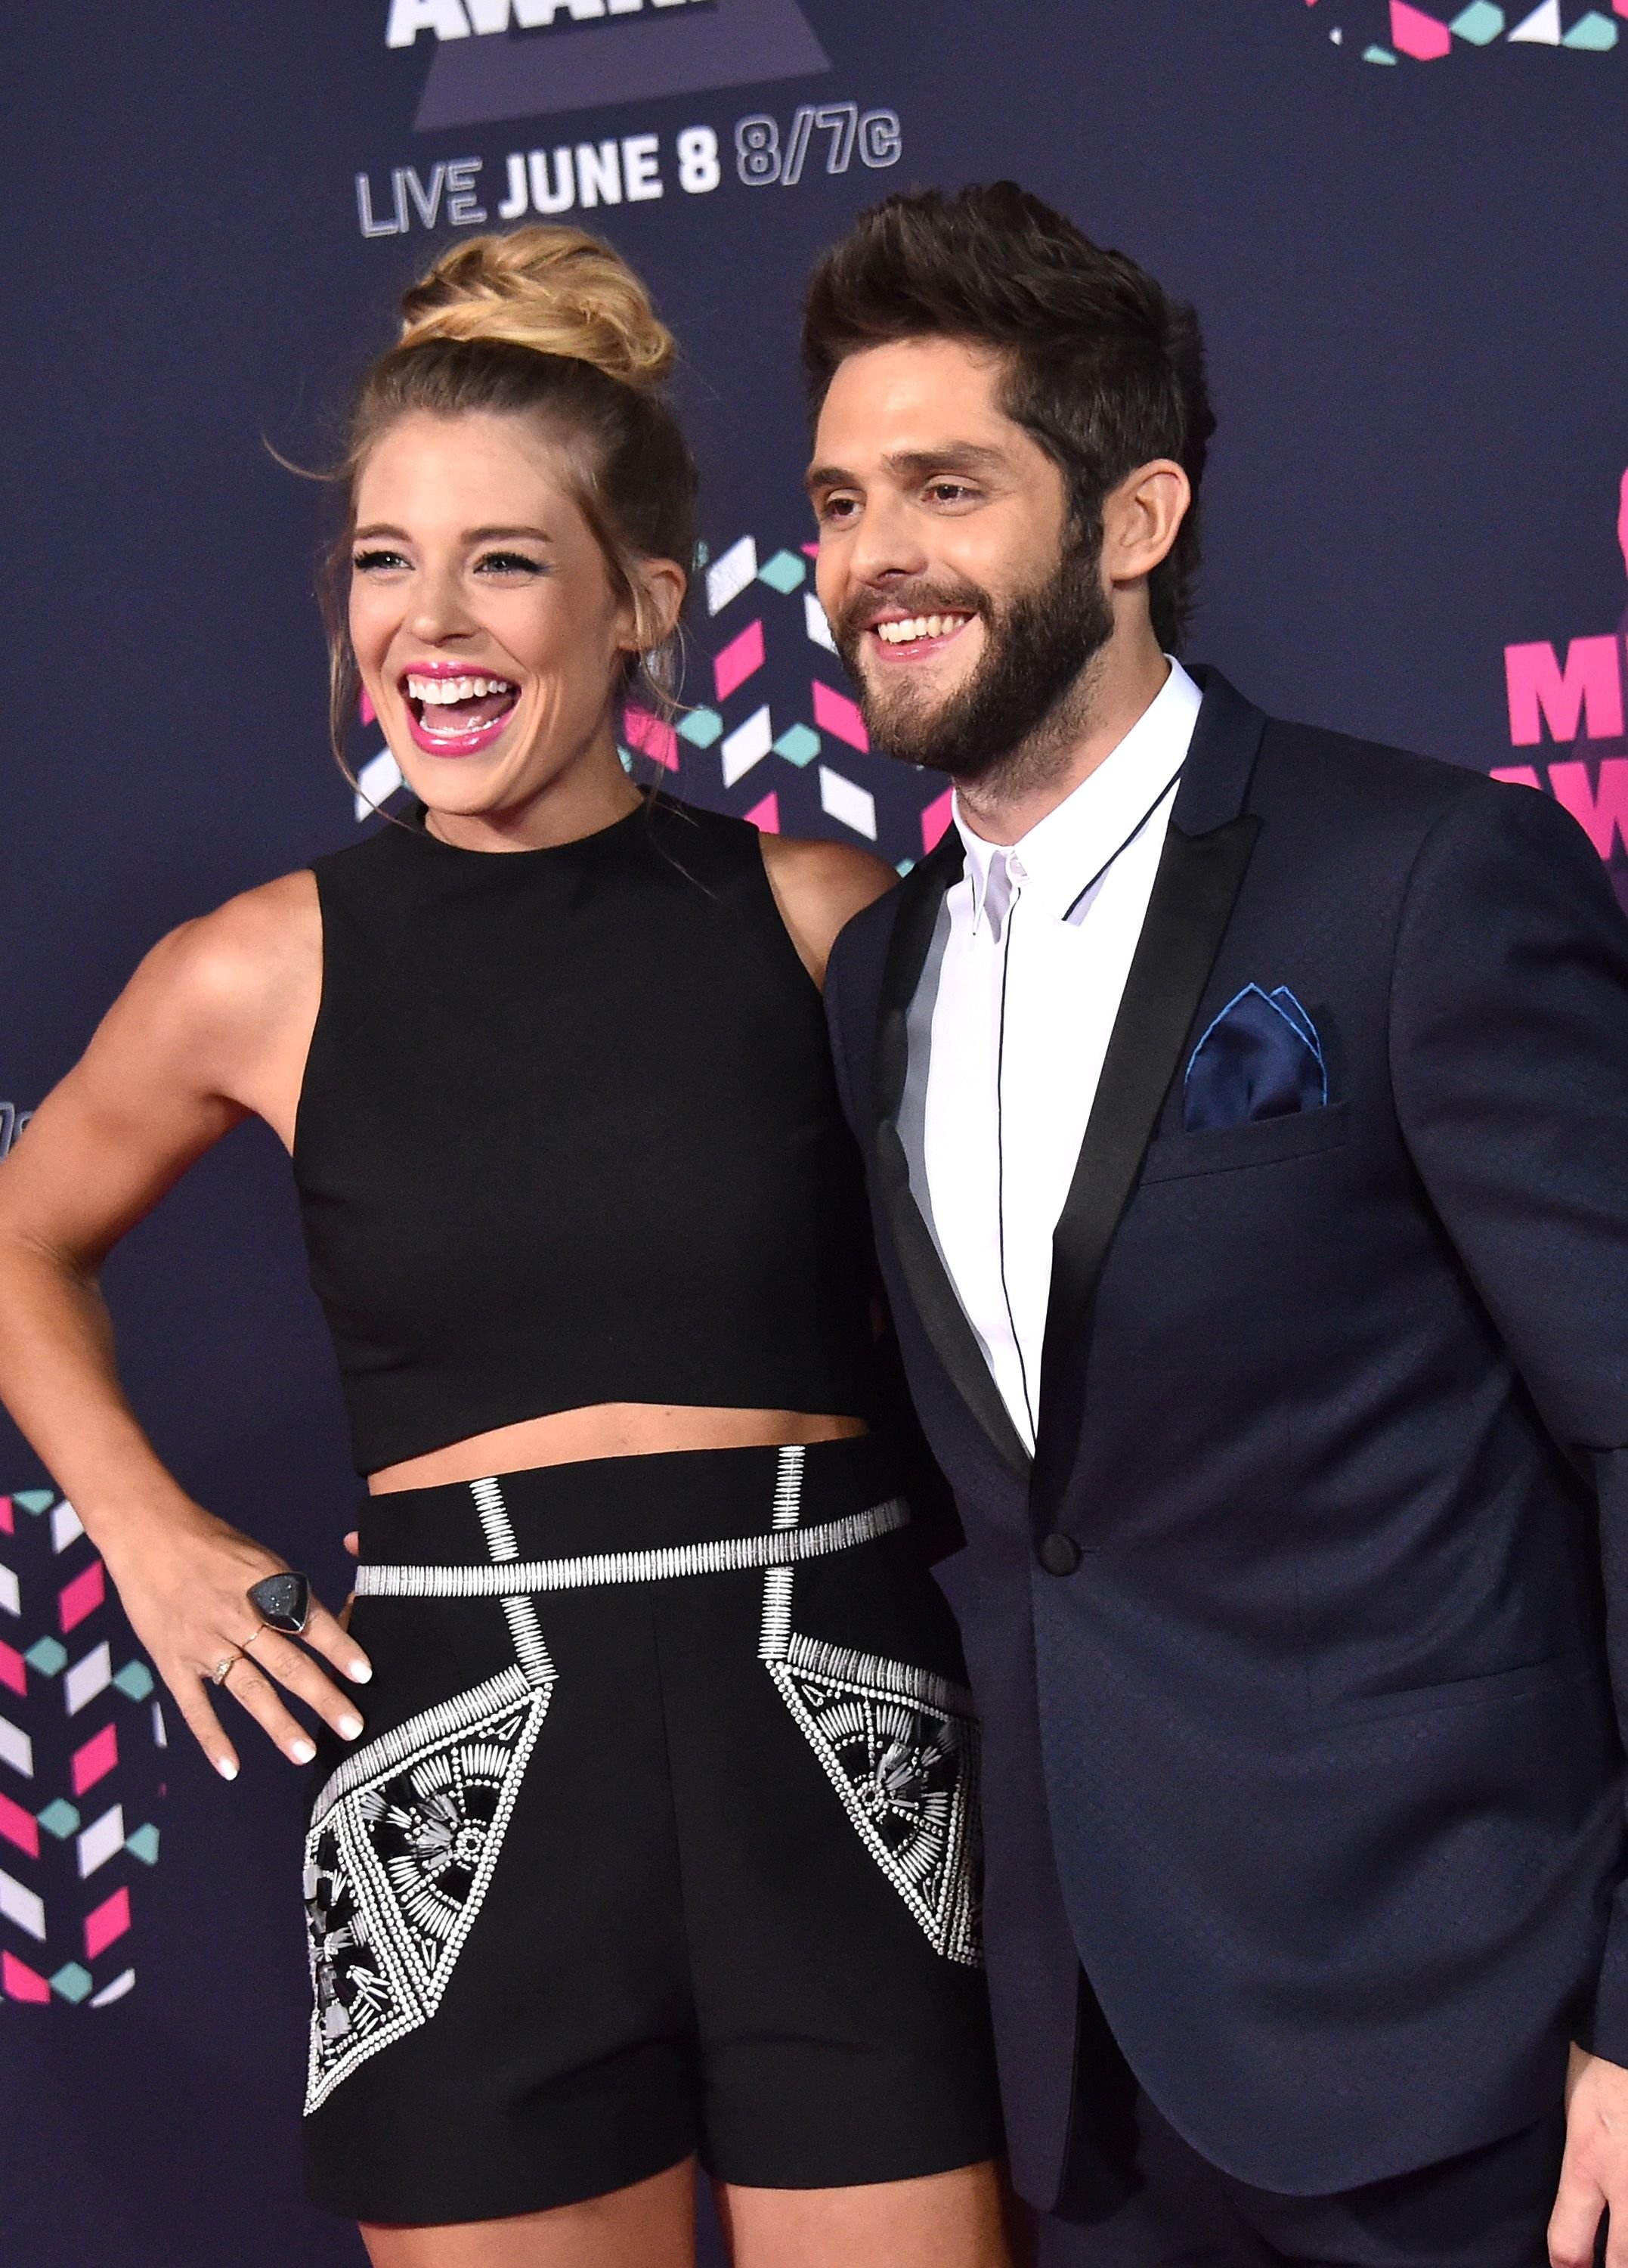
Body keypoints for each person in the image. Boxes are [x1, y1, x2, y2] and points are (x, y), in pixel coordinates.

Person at [0, 225, 1010, 2268]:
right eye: (382, 561)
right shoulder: (253, 971)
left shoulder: (826, 914)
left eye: (503, 561)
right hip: (466, 1769)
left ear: (646, 602)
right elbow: (20, 1245)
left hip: (830, 1724)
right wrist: (146, 1535)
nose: (429, 625)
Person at [804, 180, 1628, 2268]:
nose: (870, 559)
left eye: (944, 486)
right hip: (1084, 2088)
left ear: (1135, 517)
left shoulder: (1423, 880)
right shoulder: (874, 974)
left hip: (1461, 2053)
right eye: (832, 502)